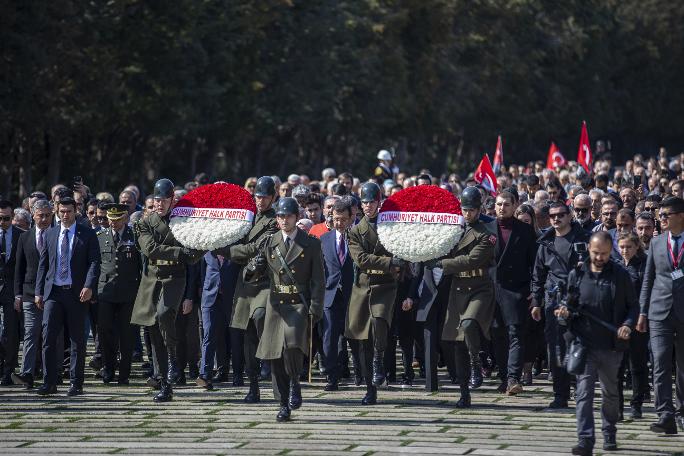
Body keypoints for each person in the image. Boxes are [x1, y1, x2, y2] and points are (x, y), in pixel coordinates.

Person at [238, 197, 324, 421]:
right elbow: (254, 271)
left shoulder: (311, 243)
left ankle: (295, 380)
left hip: (298, 304)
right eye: (280, 216)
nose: (284, 220)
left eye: (288, 216)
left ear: (297, 218)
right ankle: (283, 403)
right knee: (274, 356)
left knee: (293, 348)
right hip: (276, 304)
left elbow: (318, 280)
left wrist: (316, 306)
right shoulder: (270, 241)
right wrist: (252, 269)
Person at [555, 231, 637, 455]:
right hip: (584, 344)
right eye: (595, 253)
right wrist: (564, 312)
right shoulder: (578, 274)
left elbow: (633, 306)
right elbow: (568, 304)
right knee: (583, 393)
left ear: (612, 252)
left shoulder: (620, 275)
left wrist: (627, 325)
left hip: (611, 346)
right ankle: (585, 440)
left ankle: (609, 431)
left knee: (611, 393)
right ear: (589, 250)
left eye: (604, 254)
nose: (599, 258)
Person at [130, 178, 203, 402]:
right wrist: (179, 252)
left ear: (173, 200)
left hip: (174, 277)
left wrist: (191, 251)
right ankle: (164, 382)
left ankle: (173, 359)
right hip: (152, 279)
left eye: (165, 200)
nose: (160, 204)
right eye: (157, 200)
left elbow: (195, 250)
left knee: (164, 314)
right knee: (153, 331)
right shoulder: (144, 223)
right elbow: (150, 249)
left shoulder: (182, 222)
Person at [426, 186, 496, 407]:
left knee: (468, 324)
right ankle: (464, 392)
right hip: (458, 287)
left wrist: (441, 264)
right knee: (455, 343)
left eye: (472, 210)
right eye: (465, 210)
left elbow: (471, 260)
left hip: (479, 287)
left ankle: (476, 361)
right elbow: (440, 246)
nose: (468, 214)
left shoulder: (487, 232)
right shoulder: (454, 230)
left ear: (480, 209)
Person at [214, 176, 279, 403]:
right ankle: (253, 386)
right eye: (258, 196)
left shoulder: (274, 220)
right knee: (248, 335)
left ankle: (274, 374)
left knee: (261, 319)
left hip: (264, 283)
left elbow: (256, 247)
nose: (260, 201)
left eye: (265, 197)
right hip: (244, 284)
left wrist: (225, 250)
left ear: (273, 197)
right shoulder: (247, 216)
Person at [35, 196, 100, 396]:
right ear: (57, 211)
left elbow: (94, 263)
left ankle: (75, 383)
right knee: (48, 338)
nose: (65, 215)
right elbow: (43, 265)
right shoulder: (51, 234)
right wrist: (39, 291)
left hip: (76, 294)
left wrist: (89, 286)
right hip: (53, 292)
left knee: (77, 340)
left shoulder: (87, 234)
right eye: (61, 211)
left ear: (75, 211)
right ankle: (49, 382)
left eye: (69, 211)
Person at [346, 182, 404, 405]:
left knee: (379, 322)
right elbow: (361, 260)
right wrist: (389, 262)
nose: (368, 206)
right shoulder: (355, 231)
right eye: (365, 202)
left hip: (385, 286)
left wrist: (393, 265)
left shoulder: (390, 227)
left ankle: (379, 360)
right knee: (363, 340)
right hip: (363, 287)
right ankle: (370, 387)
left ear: (379, 202)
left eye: (372, 201)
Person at [531, 201, 590, 408]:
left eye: (561, 215)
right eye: (553, 216)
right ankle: (560, 395)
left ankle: (580, 388)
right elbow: (538, 276)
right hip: (554, 301)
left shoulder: (584, 238)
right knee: (556, 350)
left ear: (569, 216)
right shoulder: (546, 242)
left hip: (580, 301)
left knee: (579, 347)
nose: (556, 219)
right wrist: (536, 302)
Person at [638, 196, 684, 434]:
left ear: (680, 216)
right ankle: (664, 414)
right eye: (660, 215)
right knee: (660, 363)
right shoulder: (656, 243)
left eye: (666, 215)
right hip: (659, 311)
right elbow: (648, 279)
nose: (661, 219)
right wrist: (643, 311)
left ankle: (682, 411)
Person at [491, 191, 538, 395]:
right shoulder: (486, 229)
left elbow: (535, 264)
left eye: (507, 204)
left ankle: (513, 378)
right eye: (499, 204)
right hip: (492, 291)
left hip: (517, 290)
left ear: (515, 205)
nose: (503, 208)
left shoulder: (525, 231)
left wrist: (535, 292)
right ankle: (503, 376)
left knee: (515, 334)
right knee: (497, 335)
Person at [12, 200, 56, 388]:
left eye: (47, 215)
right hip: (30, 293)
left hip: (53, 292)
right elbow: (19, 268)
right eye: (41, 215)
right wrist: (18, 294)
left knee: (51, 335)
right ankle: (27, 373)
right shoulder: (25, 237)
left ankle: (52, 373)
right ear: (33, 215)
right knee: (30, 333)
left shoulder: (57, 235)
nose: (44, 219)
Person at [96, 203, 142, 385]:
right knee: (105, 332)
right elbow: (95, 265)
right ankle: (108, 368)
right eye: (110, 219)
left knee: (127, 335)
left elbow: (140, 266)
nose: (113, 223)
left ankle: (124, 372)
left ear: (125, 218)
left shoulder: (135, 237)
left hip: (128, 293)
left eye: (117, 219)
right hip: (105, 292)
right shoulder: (100, 237)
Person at [319, 200, 354, 391]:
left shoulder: (356, 238)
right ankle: (332, 376)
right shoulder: (324, 240)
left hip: (352, 294)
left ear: (350, 219)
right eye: (336, 219)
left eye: (343, 219)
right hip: (330, 294)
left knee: (354, 335)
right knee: (329, 336)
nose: (339, 223)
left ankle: (360, 373)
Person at [195, 251, 242, 390]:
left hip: (233, 298)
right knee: (209, 334)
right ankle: (205, 374)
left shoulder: (235, 250)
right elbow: (201, 276)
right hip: (210, 298)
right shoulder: (207, 253)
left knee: (235, 336)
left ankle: (238, 373)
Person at [616, 231, 649, 420]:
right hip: (618, 322)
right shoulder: (616, 265)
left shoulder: (643, 266)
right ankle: (618, 405)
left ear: (637, 247)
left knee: (637, 365)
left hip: (637, 321)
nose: (625, 250)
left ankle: (636, 403)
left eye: (629, 247)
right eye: (621, 247)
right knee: (618, 366)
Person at [0, 200, 23, 385]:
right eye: (0, 218)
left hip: (12, 289)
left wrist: (19, 294)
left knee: (11, 331)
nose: (2, 222)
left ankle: (8, 370)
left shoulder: (20, 236)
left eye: (6, 218)